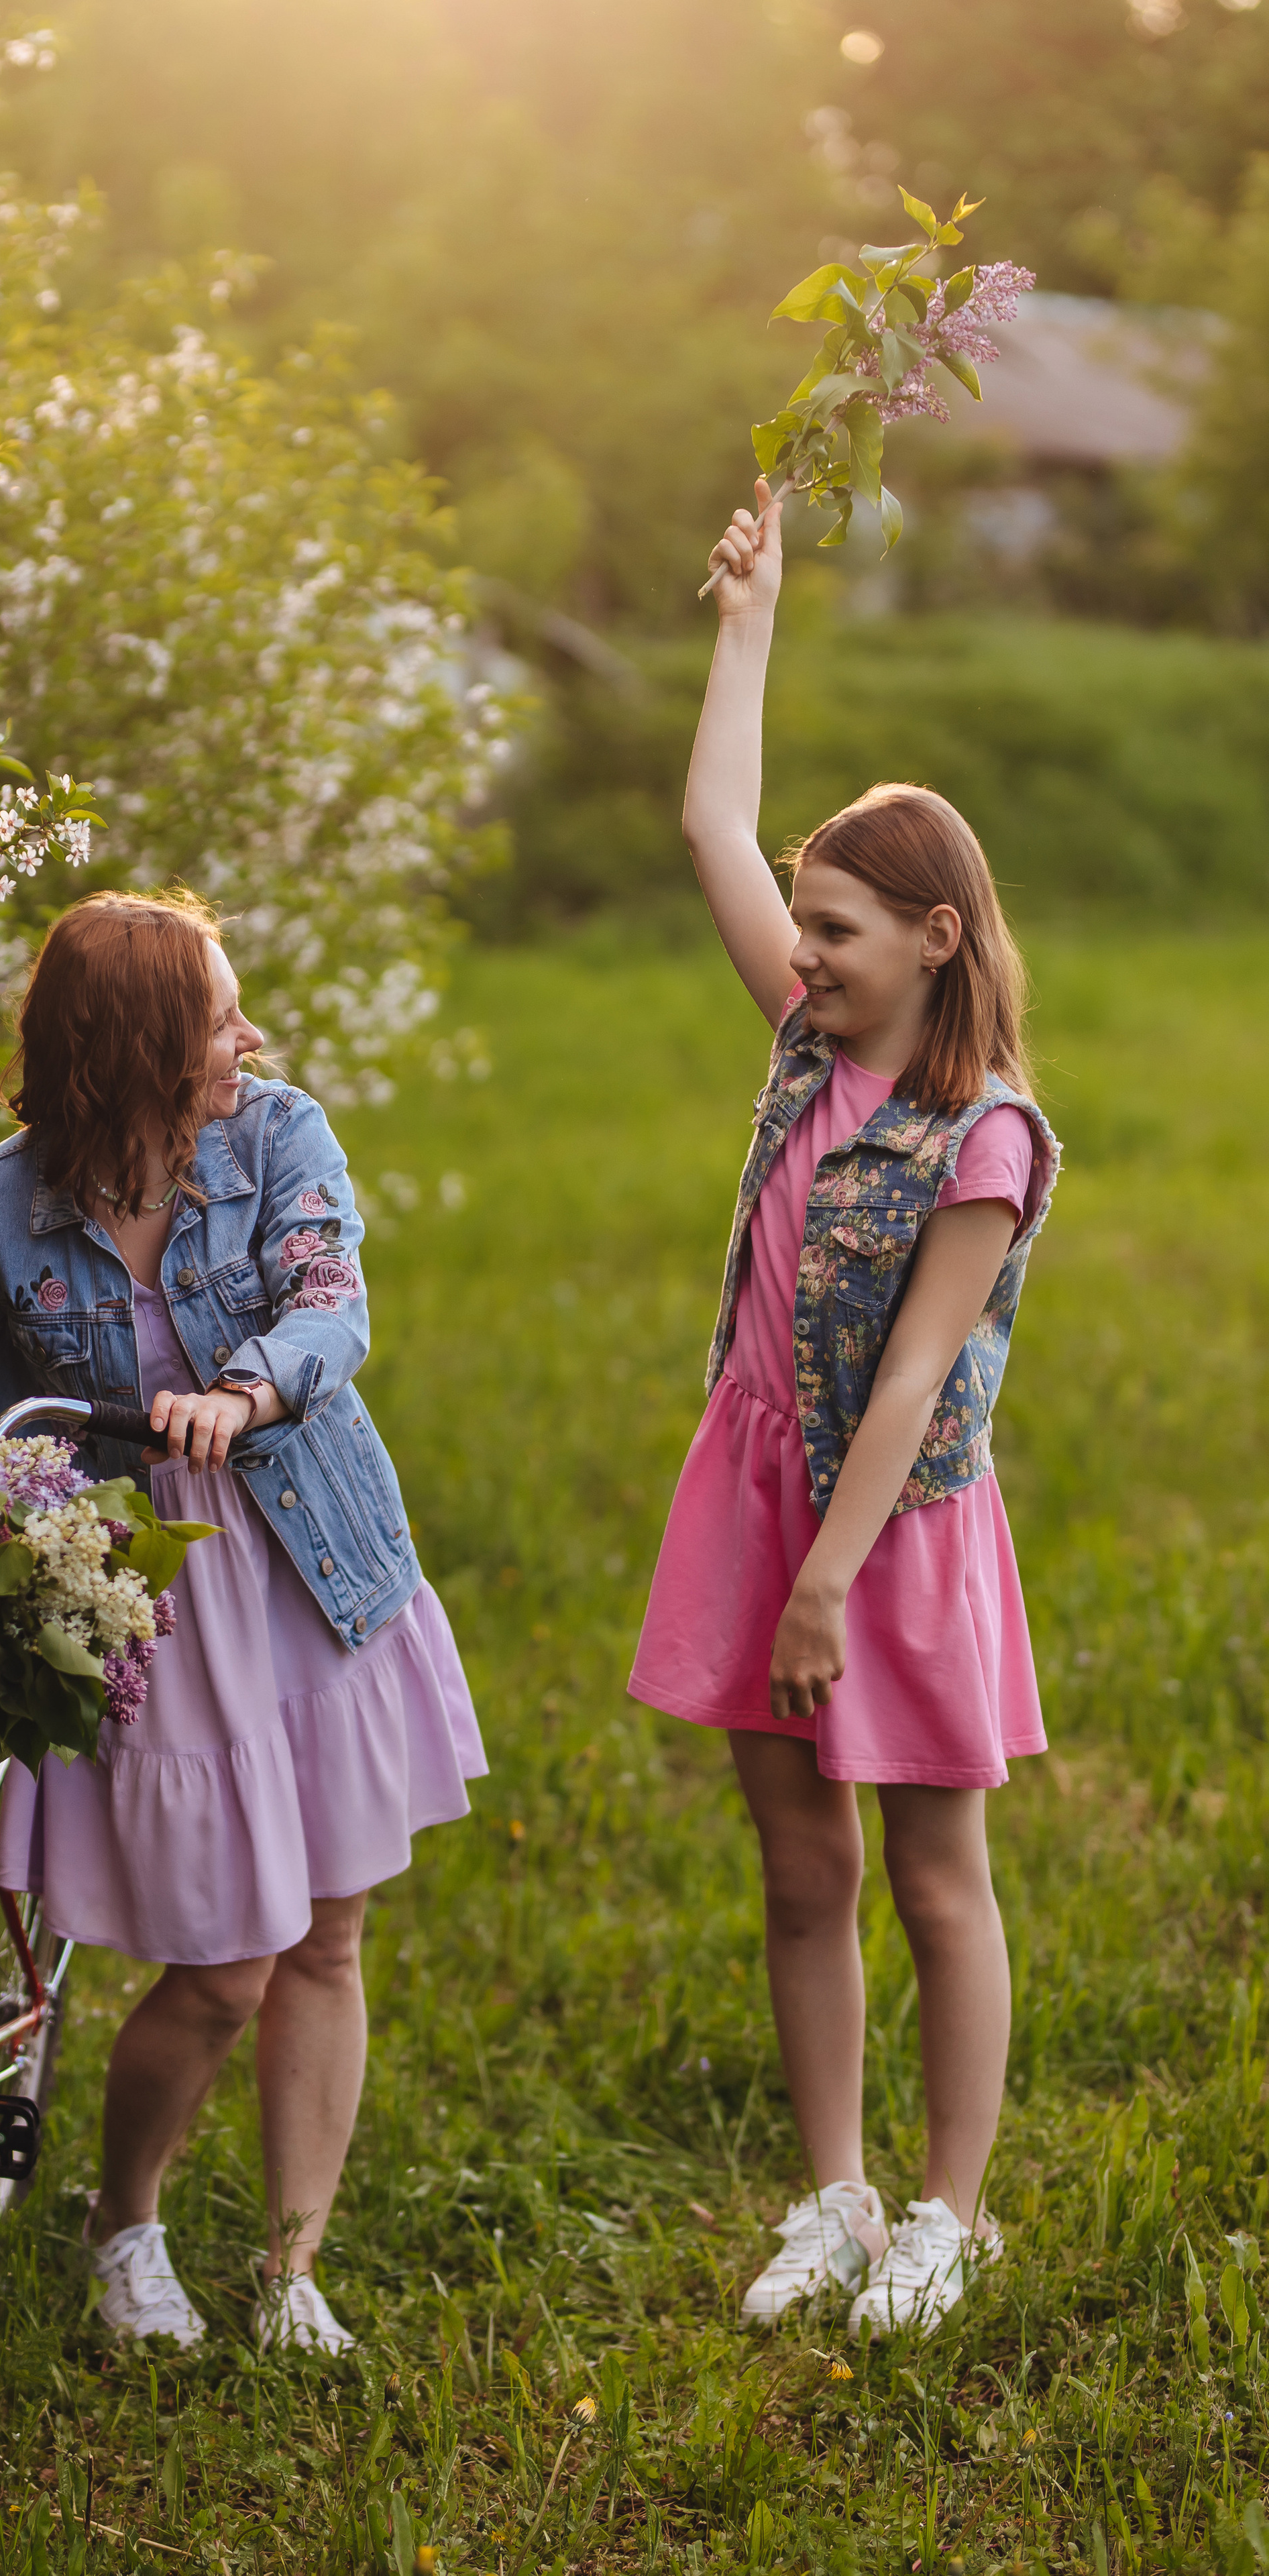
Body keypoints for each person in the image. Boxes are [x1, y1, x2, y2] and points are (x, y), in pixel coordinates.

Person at [0, 889, 485, 2355]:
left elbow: (332, 1301)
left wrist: (247, 1388)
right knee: (218, 1969)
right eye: (218, 1018)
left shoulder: (277, 1137)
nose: (248, 1037)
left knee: (326, 1942)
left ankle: (289, 2274)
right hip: (139, 1604)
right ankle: (122, 2225)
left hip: (306, 1567)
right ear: (133, 1054)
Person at [629, 484, 1060, 2339]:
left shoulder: (989, 1136)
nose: (803, 954)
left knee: (932, 1871)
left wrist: (826, 1580)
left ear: (941, 937)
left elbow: (913, 1376)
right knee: (801, 1867)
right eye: (802, 926)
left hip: (892, 1528)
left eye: (840, 931)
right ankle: (835, 2196)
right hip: (757, 1493)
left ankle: (952, 2215)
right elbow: (711, 817)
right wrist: (753, 620)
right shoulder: (805, 1042)